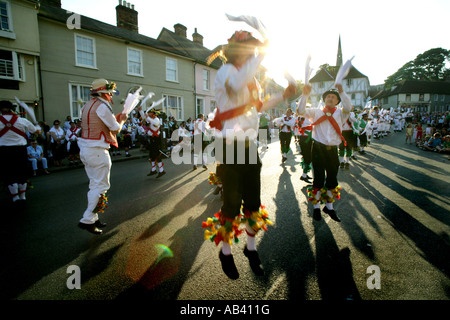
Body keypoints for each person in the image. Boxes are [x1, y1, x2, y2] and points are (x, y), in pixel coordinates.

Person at [202, 30, 297, 279]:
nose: (253, 54)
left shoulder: (252, 79)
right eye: (249, 50)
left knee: (253, 202)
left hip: (249, 146)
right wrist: (260, 56)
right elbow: (234, 89)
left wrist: (283, 95)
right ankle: (225, 251)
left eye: (253, 51)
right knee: (231, 204)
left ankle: (251, 248)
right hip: (229, 146)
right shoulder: (226, 72)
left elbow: (258, 106)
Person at [297, 83, 353, 222]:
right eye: (328, 96)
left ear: (337, 101)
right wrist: (305, 94)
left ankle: (329, 207)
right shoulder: (316, 112)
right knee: (318, 179)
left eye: (333, 97)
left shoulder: (341, 113)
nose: (330, 98)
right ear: (324, 99)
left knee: (332, 179)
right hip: (318, 148)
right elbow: (300, 110)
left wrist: (341, 91)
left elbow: (348, 107)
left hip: (332, 149)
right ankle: (316, 208)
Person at [77, 78, 127, 235]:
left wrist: (116, 120)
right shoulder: (102, 106)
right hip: (97, 151)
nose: (111, 96)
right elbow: (115, 128)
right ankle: (87, 219)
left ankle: (94, 218)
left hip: (86, 149)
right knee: (101, 186)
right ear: (104, 93)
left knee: (94, 184)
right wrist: (122, 120)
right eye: (109, 93)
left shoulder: (87, 106)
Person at [0, 100, 37, 202]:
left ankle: (15, 197)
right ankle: (23, 196)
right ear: (11, 108)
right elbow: (35, 131)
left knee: (9, 172)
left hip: (4, 150)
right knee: (21, 171)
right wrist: (37, 126)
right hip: (20, 150)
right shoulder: (21, 120)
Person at [139, 107, 166, 178]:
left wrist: (147, 118)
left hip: (156, 138)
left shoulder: (156, 120)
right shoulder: (150, 119)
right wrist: (140, 110)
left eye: (149, 112)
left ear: (153, 113)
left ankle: (161, 170)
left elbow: (154, 124)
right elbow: (144, 117)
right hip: (151, 138)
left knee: (156, 154)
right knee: (152, 154)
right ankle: (154, 170)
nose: (148, 114)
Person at [298, 114, 313, 183]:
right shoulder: (305, 118)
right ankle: (304, 175)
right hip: (305, 138)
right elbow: (313, 123)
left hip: (305, 138)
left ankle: (305, 174)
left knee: (307, 157)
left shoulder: (302, 117)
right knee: (308, 157)